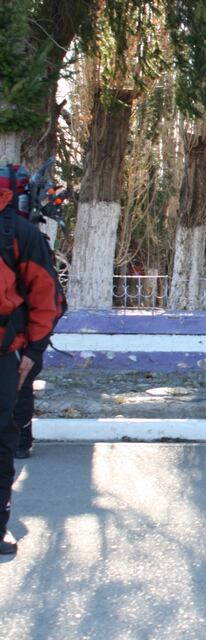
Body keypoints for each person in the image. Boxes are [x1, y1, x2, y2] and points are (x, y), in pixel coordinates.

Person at [0, 178, 64, 555]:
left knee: (1, 443)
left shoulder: (18, 232)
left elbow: (45, 297)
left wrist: (33, 351)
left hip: (4, 356)